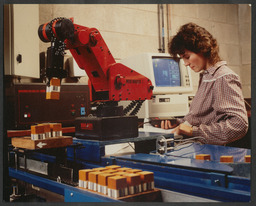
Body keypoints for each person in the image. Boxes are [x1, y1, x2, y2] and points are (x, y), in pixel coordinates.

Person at [160, 22, 248, 145]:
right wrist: (179, 123)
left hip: (211, 155)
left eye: (187, 56)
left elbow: (238, 125)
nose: (185, 63)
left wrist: (194, 132)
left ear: (202, 49)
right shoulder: (207, 76)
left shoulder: (224, 77)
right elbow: (203, 118)